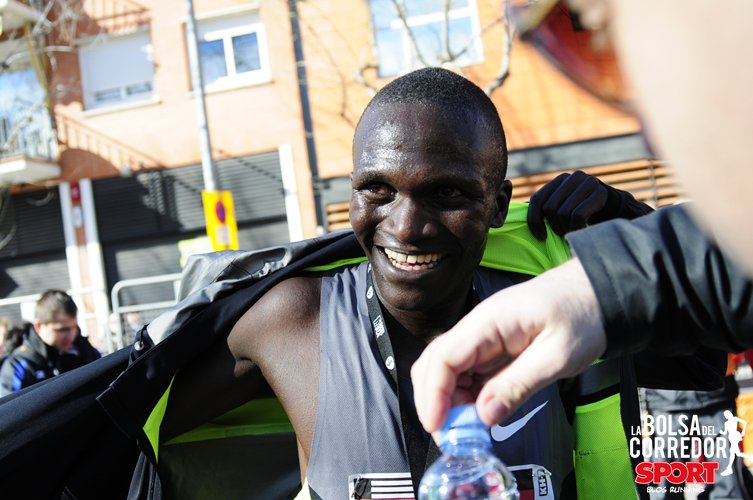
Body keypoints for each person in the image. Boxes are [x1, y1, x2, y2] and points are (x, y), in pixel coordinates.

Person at [153, 67, 722, 500]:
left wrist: (632, 241)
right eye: (377, 189)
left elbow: (694, 391)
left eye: (446, 194)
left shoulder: (551, 311)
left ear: (497, 205)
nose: (405, 228)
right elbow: (118, 430)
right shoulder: (292, 321)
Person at [410, 0, 753, 434]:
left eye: (596, 40)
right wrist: (606, 284)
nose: (650, 134)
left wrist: (620, 244)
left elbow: (701, 370)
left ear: (497, 204)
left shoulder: (537, 266)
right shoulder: (313, 300)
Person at [0, 289, 100, 396]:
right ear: (39, 326)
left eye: (74, 327)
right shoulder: (19, 364)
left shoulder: (85, 350)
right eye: (61, 330)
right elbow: (11, 409)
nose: (70, 336)